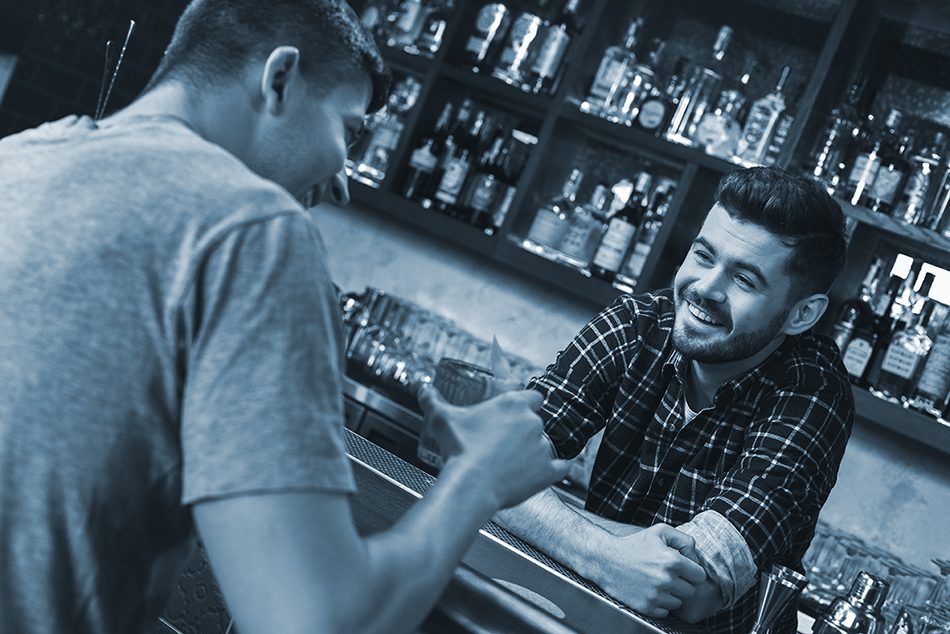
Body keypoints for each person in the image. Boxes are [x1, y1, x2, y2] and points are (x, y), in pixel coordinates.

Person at [0, 1, 568, 632]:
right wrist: (479, 480)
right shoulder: (255, 231)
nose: (345, 183)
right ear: (279, 78)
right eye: (348, 131)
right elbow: (311, 623)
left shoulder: (18, 159)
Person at [495, 167, 855, 634]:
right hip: (586, 613)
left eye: (744, 280)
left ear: (802, 314)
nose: (705, 287)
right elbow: (486, 462)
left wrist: (544, 513)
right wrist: (606, 556)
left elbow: (690, 591)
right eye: (703, 256)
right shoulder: (637, 325)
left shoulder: (814, 393)